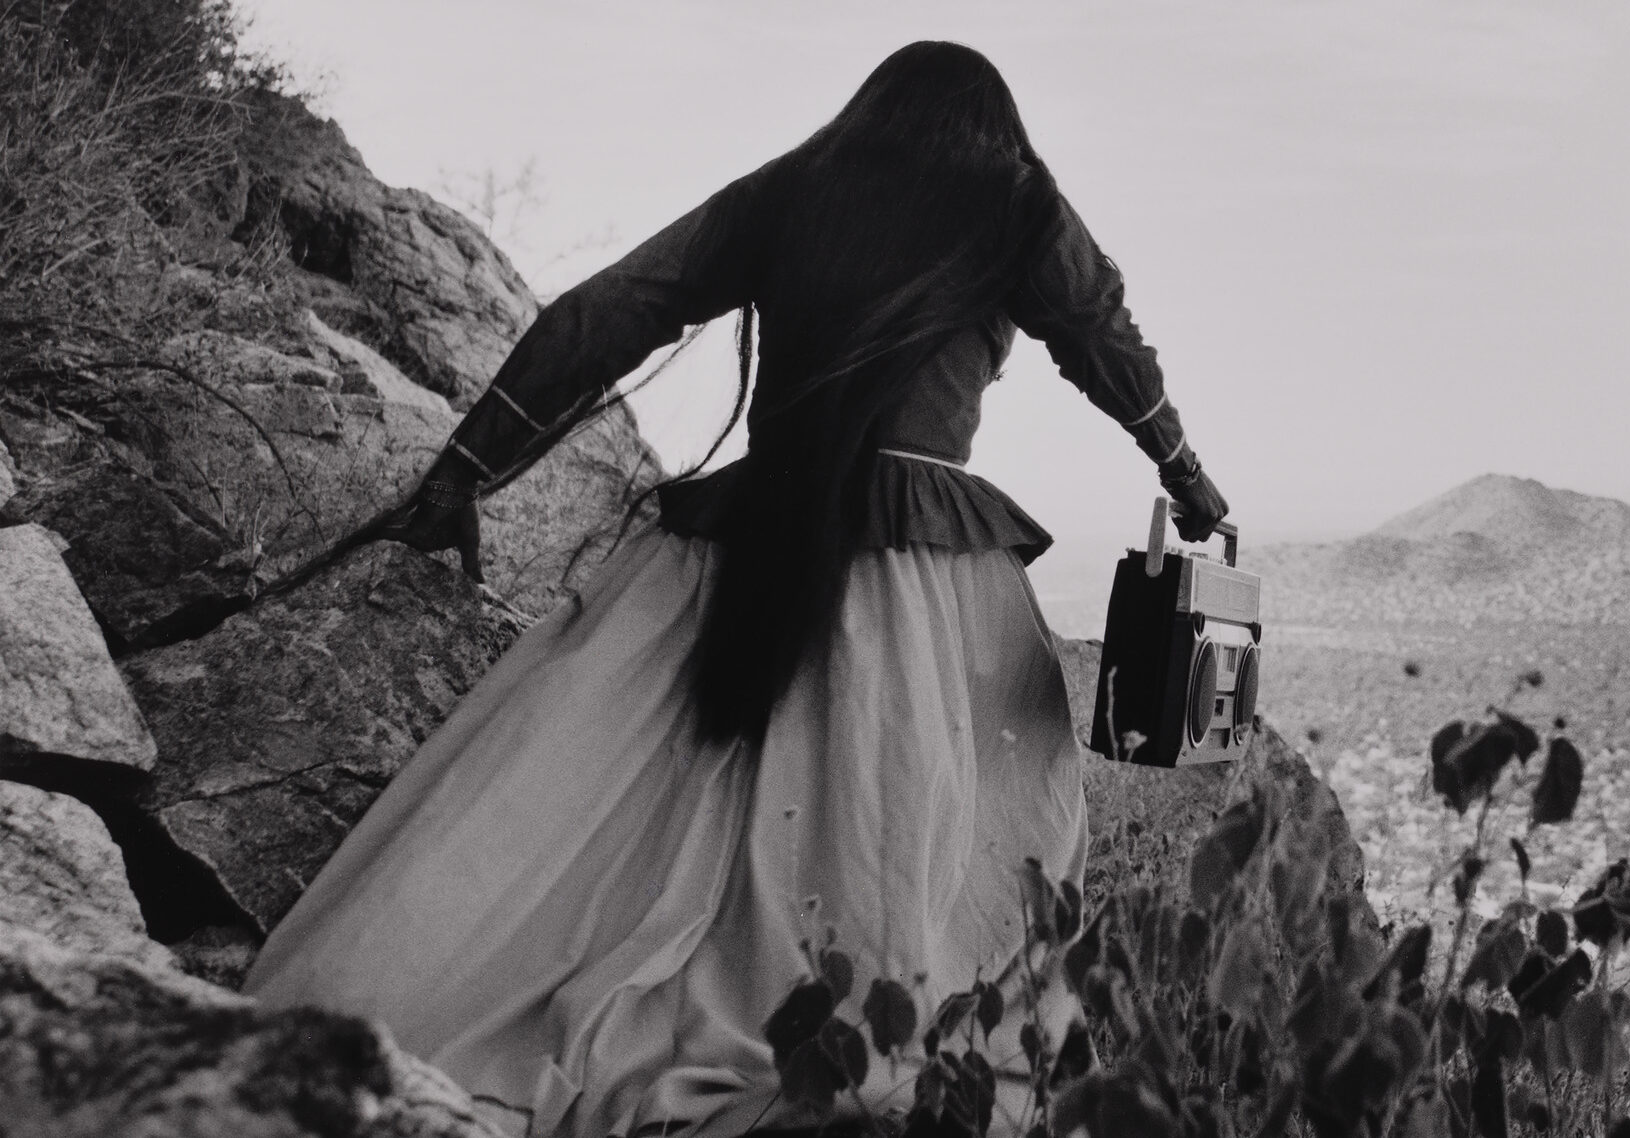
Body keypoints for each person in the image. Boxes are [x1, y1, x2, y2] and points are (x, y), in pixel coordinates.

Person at [242, 41, 1227, 1138]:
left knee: (601, 796)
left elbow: (611, 308)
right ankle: (882, 1043)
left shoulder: (797, 186)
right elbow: (1104, 337)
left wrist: (467, 469)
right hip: (922, 573)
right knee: (968, 811)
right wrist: (1188, 481)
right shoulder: (1016, 202)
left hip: (744, 543)